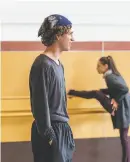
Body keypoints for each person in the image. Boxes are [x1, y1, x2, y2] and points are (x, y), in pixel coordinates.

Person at [68, 56, 130, 162]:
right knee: (124, 139)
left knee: (124, 139)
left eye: (99, 66)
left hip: (121, 109)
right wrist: (104, 92)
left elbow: (124, 89)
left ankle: (72, 93)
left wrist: (116, 100)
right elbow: (115, 90)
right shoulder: (113, 74)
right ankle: (73, 93)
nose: (97, 68)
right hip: (125, 109)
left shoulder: (110, 77)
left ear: (106, 66)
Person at [29, 14, 75, 162]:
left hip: (62, 129)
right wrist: (49, 136)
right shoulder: (42, 64)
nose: (73, 39)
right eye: (70, 34)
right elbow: (40, 104)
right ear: (58, 35)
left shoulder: (59, 65)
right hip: (50, 131)